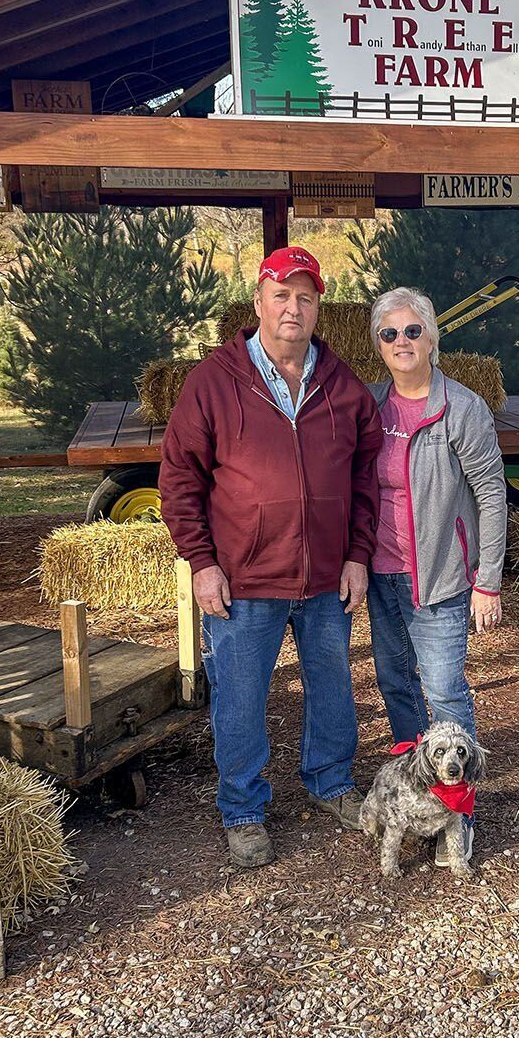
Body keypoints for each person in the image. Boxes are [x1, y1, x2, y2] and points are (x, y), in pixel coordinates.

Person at [159, 245, 382, 870]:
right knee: (240, 696)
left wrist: (357, 554)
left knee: (333, 687)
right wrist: (201, 562)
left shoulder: (345, 388)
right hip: (243, 578)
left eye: (305, 297)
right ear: (258, 302)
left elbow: (367, 480)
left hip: (324, 577)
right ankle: (244, 808)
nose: (293, 307)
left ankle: (332, 783)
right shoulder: (213, 381)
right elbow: (180, 479)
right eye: (281, 295)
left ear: (319, 310)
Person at [366, 287, 507, 860]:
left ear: (432, 337)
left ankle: (460, 808)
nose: (402, 341)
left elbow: (492, 495)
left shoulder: (462, 408)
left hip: (442, 579)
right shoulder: (372, 406)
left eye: (412, 330)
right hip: (380, 573)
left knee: (444, 689)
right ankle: (416, 795)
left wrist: (488, 580)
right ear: (378, 345)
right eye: (389, 333)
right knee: (396, 683)